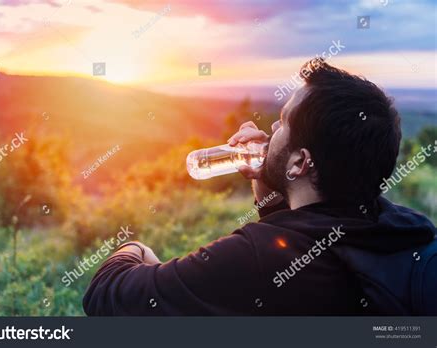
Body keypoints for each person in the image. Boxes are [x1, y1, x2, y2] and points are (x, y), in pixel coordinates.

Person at [83, 59, 437, 315]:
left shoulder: (255, 258)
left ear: (300, 162)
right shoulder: (404, 230)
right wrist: (265, 176)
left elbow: (104, 295)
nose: (269, 132)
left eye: (281, 122)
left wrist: (135, 248)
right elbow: (303, 228)